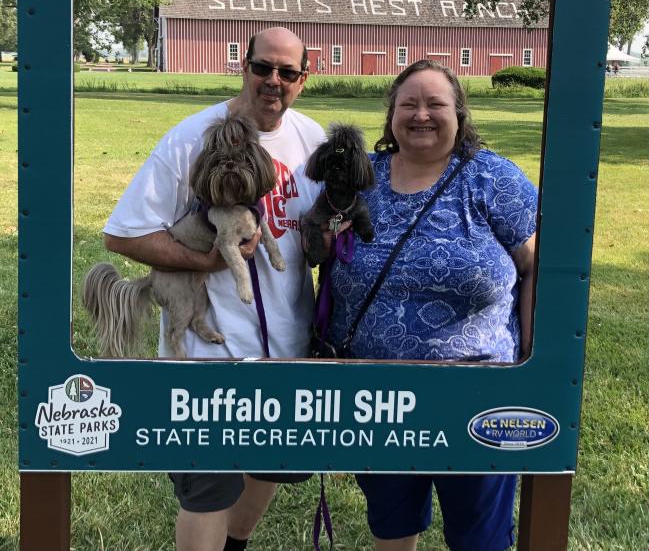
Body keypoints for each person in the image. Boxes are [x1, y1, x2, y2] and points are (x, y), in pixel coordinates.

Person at [103, 27, 325, 551]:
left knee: (269, 466)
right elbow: (124, 232)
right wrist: (205, 260)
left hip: (287, 349)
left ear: (302, 79)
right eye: (263, 68)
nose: (274, 81)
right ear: (243, 68)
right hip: (207, 352)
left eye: (287, 73)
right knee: (207, 487)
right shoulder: (192, 137)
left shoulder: (310, 139)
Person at [327, 59, 537, 551]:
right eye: (409, 104)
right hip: (376, 399)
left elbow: (537, 269)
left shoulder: (493, 178)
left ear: (459, 115)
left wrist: (530, 362)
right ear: (392, 116)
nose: (422, 114)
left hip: (477, 397)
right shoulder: (359, 178)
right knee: (392, 528)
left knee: (479, 539)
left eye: (436, 104)